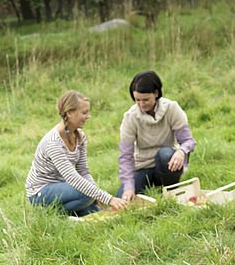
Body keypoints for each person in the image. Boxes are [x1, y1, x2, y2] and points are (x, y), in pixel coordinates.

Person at [27, 90, 126, 217]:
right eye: (84, 112)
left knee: (94, 212)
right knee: (86, 194)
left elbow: (83, 171)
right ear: (69, 113)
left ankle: (69, 212)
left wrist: (97, 195)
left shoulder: (80, 137)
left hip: (63, 187)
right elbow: (72, 178)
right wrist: (109, 198)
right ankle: (50, 214)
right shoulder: (53, 143)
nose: (88, 116)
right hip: (41, 192)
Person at [118, 70, 196, 201]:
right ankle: (145, 188)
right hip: (142, 166)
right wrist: (129, 187)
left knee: (166, 154)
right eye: (137, 100)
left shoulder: (172, 108)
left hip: (166, 162)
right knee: (123, 199)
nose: (142, 104)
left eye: (146, 100)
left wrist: (181, 151)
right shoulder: (130, 117)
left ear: (156, 93)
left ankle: (169, 190)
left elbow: (188, 140)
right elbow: (126, 156)